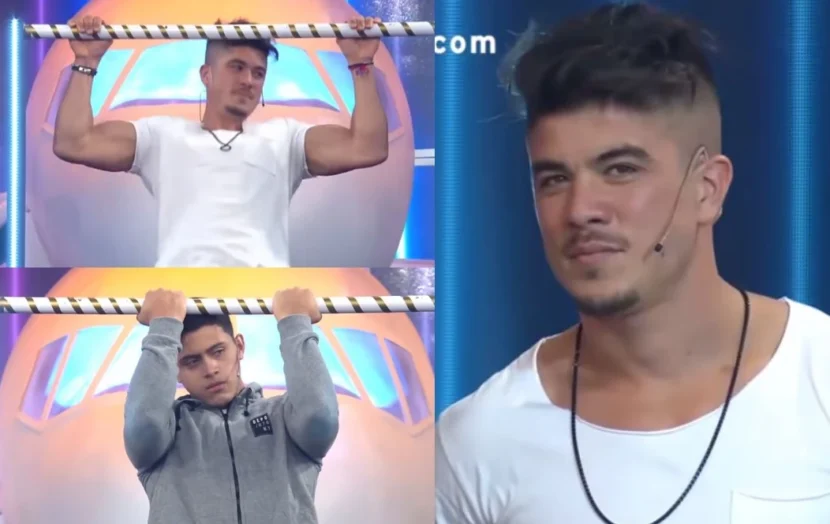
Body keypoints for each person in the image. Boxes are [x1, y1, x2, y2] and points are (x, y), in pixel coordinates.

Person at [436, 3, 830, 524]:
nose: (580, 210)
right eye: (554, 179)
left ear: (707, 189)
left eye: (620, 169)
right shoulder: (478, 441)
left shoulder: (819, 377)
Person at [53, 15, 389, 267]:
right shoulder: (161, 135)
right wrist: (86, 62)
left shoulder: (285, 138)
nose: (248, 81)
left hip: (261, 298)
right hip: (184, 298)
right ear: (207, 74)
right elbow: (74, 143)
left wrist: (360, 63)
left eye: (258, 73)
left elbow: (367, 147)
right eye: (237, 67)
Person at [124, 287, 339, 523]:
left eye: (218, 351)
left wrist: (295, 324)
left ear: (239, 346)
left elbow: (320, 419)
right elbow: (144, 426)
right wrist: (163, 330)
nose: (210, 369)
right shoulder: (167, 432)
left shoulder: (286, 418)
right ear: (174, 369)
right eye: (192, 361)